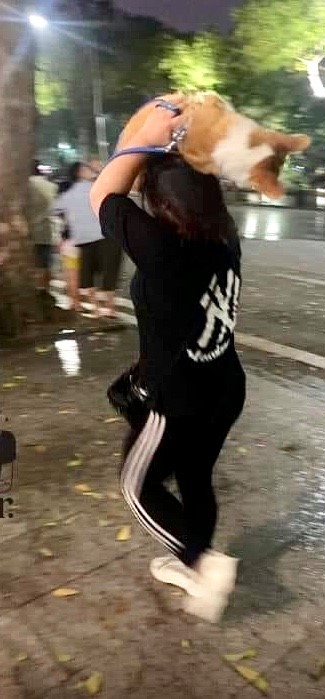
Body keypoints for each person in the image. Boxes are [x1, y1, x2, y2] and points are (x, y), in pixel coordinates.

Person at [90, 104, 246, 623]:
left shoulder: (160, 245)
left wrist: (140, 142)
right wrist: (171, 141)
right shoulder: (225, 233)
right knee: (196, 476)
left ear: (160, 202)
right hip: (224, 385)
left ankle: (203, 563)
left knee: (138, 486)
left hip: (178, 402)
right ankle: (195, 566)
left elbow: (102, 195)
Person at [56, 161, 122, 317]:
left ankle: (93, 307)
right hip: (92, 237)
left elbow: (59, 211)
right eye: (87, 169)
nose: (90, 171)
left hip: (81, 238)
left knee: (84, 273)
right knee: (102, 272)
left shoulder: (69, 192)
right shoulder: (93, 188)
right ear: (80, 172)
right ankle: (104, 307)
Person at [25, 161, 58, 315]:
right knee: (46, 265)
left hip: (28, 233)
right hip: (46, 232)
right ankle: (44, 290)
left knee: (32, 265)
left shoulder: (23, 187)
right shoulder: (51, 186)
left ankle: (34, 292)